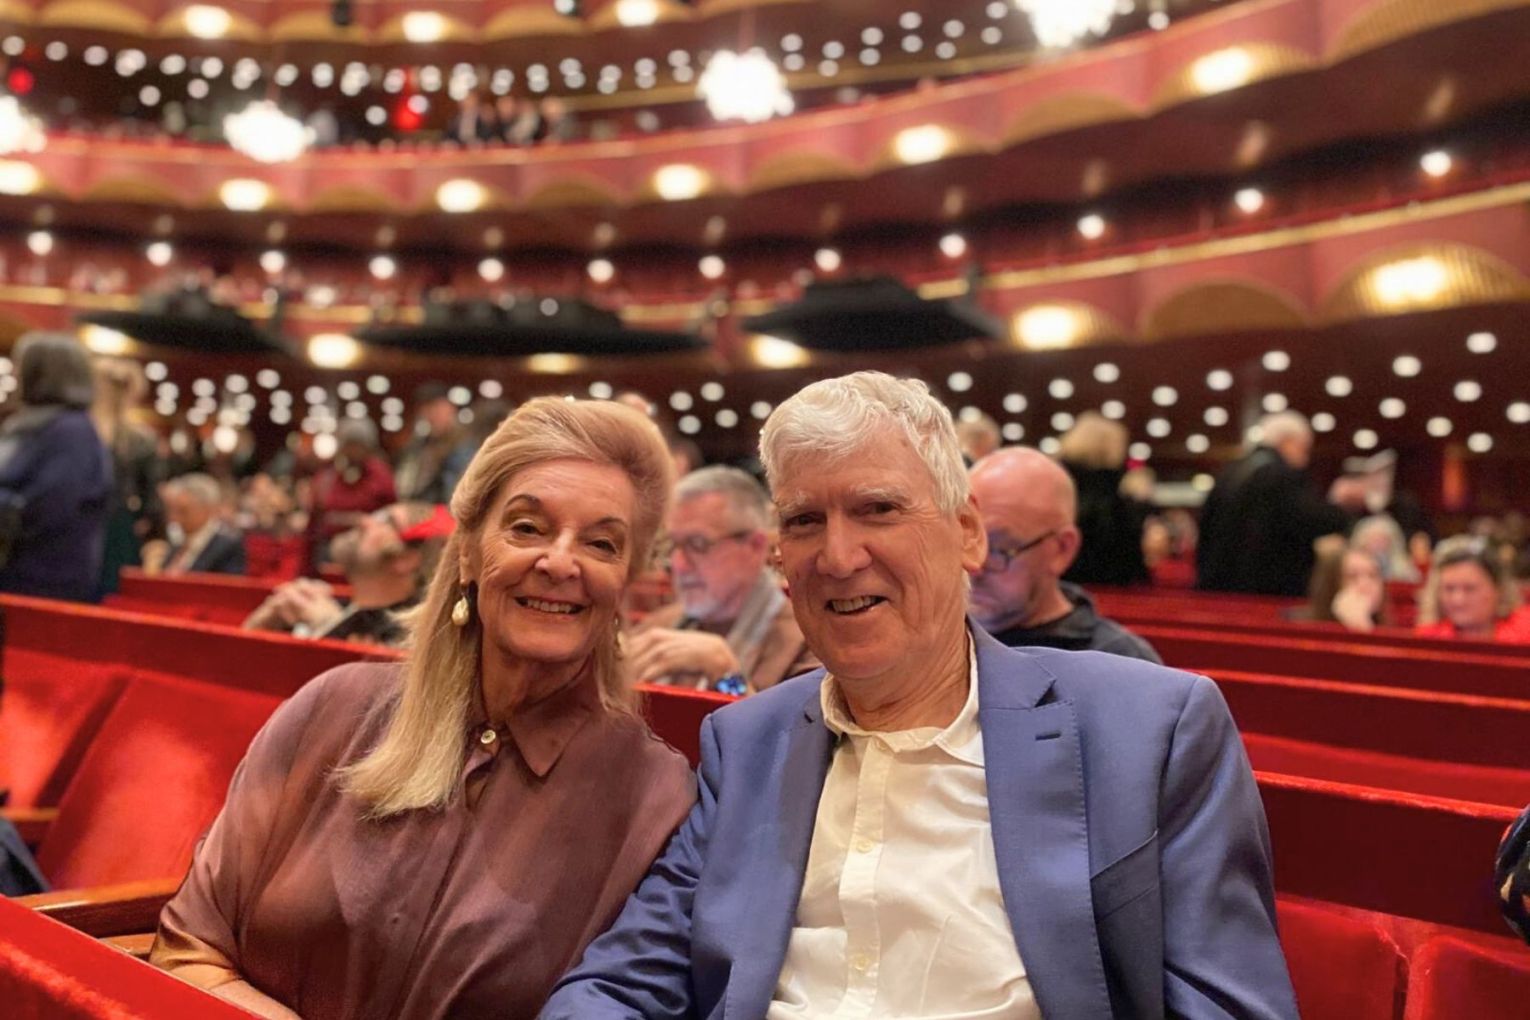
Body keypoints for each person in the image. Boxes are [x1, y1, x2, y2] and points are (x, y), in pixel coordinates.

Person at [542, 371, 1297, 1019]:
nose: (838, 557)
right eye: (806, 521)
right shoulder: (746, 744)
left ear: (968, 533)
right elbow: (623, 980)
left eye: (878, 509)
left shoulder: (1148, 729)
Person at [152, 397, 697, 1019]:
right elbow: (188, 950)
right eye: (527, 528)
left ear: (625, 581)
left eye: (602, 543)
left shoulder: (656, 800)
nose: (560, 562)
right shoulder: (330, 711)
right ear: (466, 551)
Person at [628, 466, 816, 693]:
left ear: (755, 547)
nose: (678, 565)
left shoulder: (808, 643)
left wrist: (726, 673)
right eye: (673, 546)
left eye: (698, 544)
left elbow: (784, 729)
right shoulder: (658, 627)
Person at [968, 447, 1161, 663]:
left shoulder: (1122, 664)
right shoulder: (935, 636)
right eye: (963, 542)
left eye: (998, 549)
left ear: (1062, 550)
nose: (972, 567)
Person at [0, 332, 112, 603]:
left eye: (20, 366)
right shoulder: (30, 425)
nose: (14, 374)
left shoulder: (71, 431)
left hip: (41, 577)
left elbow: (50, 505)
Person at [243, 502, 451, 646]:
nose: (364, 521)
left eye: (386, 521)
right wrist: (264, 622)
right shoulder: (330, 606)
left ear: (406, 560)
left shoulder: (401, 644)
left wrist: (331, 626)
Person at [1196, 411, 1357, 596]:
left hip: (1217, 587)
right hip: (1265, 592)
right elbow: (1309, 519)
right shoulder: (1282, 475)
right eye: (1304, 448)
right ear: (1287, 442)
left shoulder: (1230, 470)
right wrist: (1342, 506)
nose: (1306, 458)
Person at [92, 357, 162, 594]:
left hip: (89, 526)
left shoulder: (76, 432)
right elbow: (151, 499)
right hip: (118, 526)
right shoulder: (141, 439)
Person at [1057, 412, 1150, 587]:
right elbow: (1126, 558)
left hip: (1057, 585)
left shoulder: (1054, 486)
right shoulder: (1113, 497)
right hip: (1106, 590)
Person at [306, 418, 396, 569]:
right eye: (350, 445)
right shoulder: (327, 476)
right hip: (329, 548)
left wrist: (369, 522)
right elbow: (315, 517)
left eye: (359, 445)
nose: (354, 451)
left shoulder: (380, 474)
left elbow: (392, 512)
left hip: (368, 550)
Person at [1414, 535, 1530, 643]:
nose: (1458, 600)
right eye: (1449, 589)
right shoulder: (1428, 639)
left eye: (1470, 589)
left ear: (1498, 589)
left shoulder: (1526, 630)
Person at [395, 382, 473, 505]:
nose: (430, 416)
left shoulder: (466, 446)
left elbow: (455, 497)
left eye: (435, 409)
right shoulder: (420, 446)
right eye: (425, 410)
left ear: (450, 408)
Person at [160, 473, 246, 575]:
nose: (174, 518)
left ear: (206, 509)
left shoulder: (227, 546)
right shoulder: (176, 541)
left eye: (183, 512)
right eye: (172, 511)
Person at [1301, 540, 1392, 632]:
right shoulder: (1302, 630)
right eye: (1352, 576)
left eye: (1372, 575)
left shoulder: (1391, 628)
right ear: (1330, 584)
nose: (1365, 584)